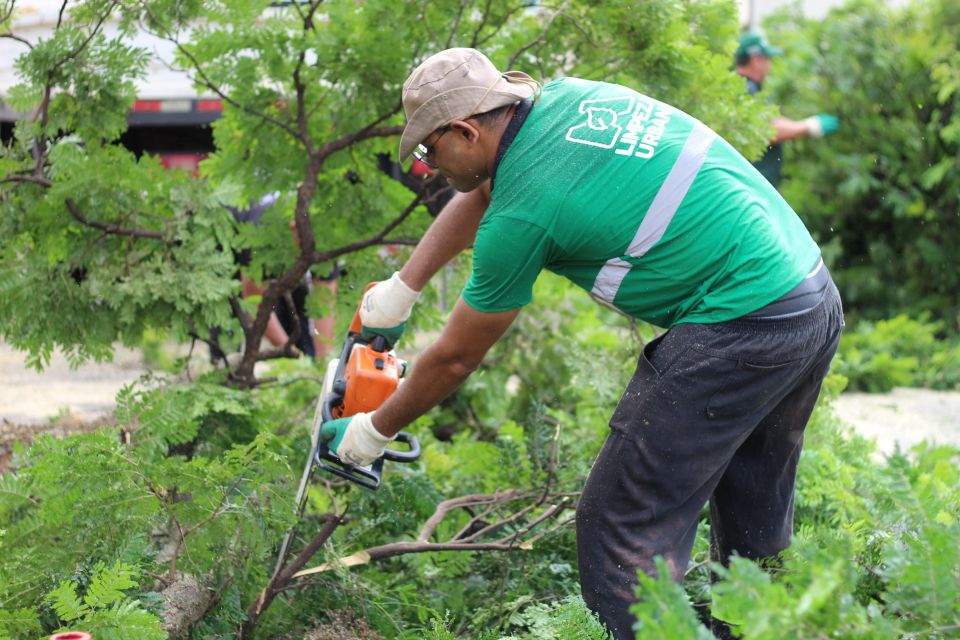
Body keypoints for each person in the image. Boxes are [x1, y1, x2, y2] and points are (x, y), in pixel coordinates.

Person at [318, 48, 844, 638]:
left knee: (621, 522)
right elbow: (489, 190)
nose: (428, 166)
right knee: (753, 505)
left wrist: (371, 433)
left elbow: (457, 358)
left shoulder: (524, 216)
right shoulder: (564, 100)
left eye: (429, 150)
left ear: (465, 131)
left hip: (742, 323)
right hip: (809, 297)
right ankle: (761, 629)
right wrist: (401, 290)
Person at [735, 31, 840, 188]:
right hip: (750, 189)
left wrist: (802, 124)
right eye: (768, 59)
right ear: (756, 60)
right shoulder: (745, 88)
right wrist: (809, 127)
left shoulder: (747, 87)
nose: (769, 65)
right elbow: (765, 129)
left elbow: (772, 121)